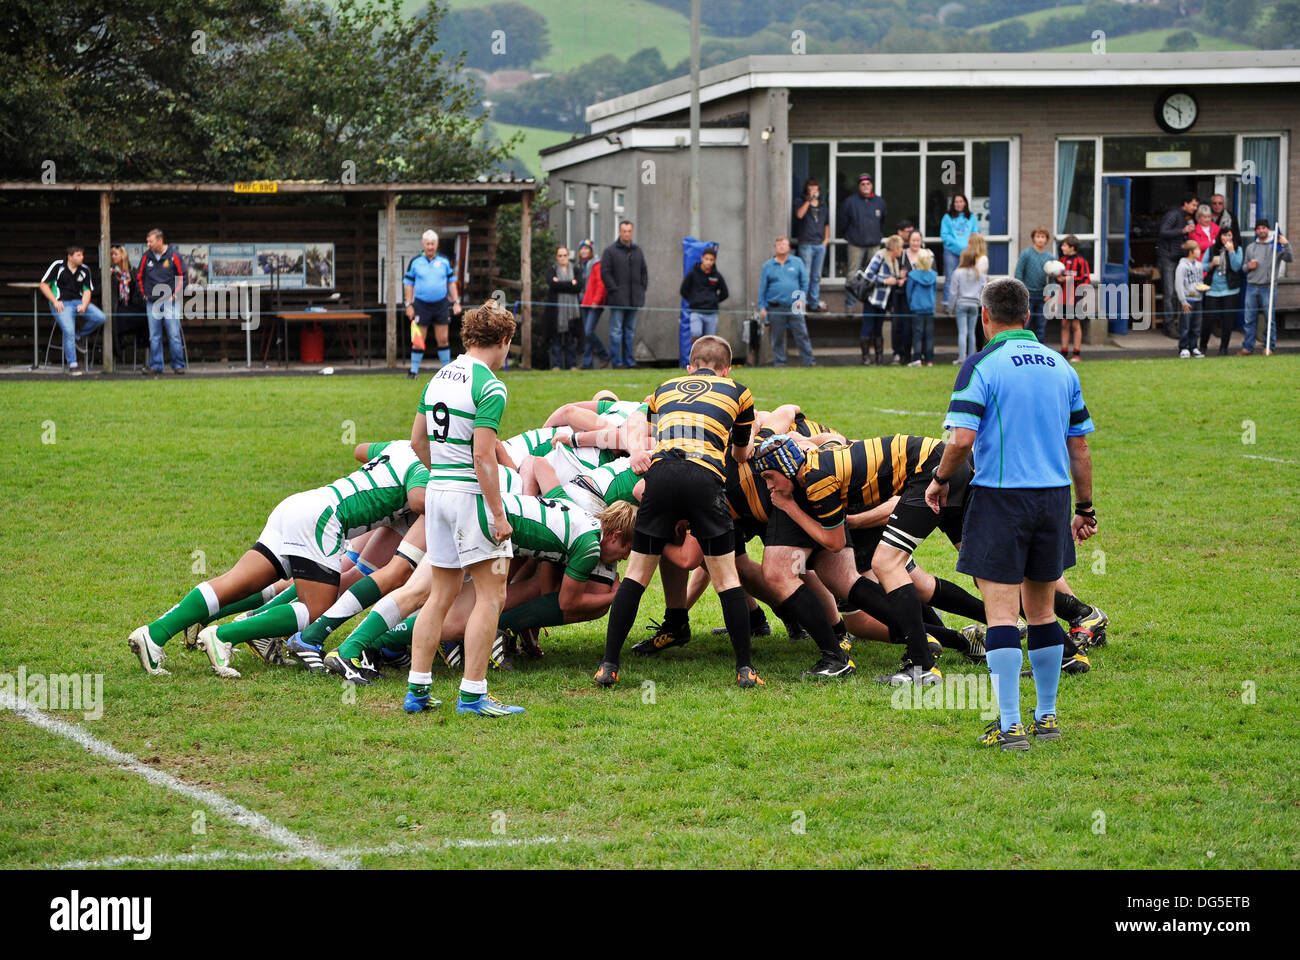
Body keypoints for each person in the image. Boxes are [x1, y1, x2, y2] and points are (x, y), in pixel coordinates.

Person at [928, 276, 1098, 750]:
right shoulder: (1062, 365)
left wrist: (940, 481)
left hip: (1002, 498)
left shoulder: (981, 364)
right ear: (1029, 316)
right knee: (1043, 614)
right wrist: (1084, 508)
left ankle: (1009, 726)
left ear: (985, 317)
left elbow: (960, 440)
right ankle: (1047, 718)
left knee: (1001, 615)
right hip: (1053, 499)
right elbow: (1079, 447)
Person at [127, 441, 429, 678]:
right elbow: (417, 499)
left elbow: (359, 449)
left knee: (235, 583)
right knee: (317, 609)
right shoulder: (426, 465)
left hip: (299, 505)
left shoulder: (400, 445)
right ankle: (224, 635)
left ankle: (154, 634)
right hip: (324, 519)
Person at [593, 335, 762, 689]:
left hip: (662, 474)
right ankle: (744, 669)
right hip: (704, 477)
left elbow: (644, 420)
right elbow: (742, 455)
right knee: (727, 579)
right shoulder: (739, 391)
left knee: (637, 575)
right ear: (727, 370)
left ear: (690, 366)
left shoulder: (664, 388)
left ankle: (608, 665)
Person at [404, 299, 522, 717]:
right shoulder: (489, 385)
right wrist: (499, 514)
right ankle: (473, 694)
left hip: (437, 494)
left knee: (439, 594)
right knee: (491, 596)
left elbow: (417, 442)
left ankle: (417, 690)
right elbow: (483, 457)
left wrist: (443, 476)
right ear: (504, 340)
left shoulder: (437, 376)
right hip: (470, 498)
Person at [403, 229, 462, 378]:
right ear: (423, 244)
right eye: (427, 243)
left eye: (433, 244)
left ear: (437, 245)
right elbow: (409, 284)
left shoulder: (444, 261)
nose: (430, 246)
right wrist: (408, 304)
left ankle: (447, 372)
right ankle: (413, 371)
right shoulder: (415, 262)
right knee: (418, 340)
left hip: (441, 304)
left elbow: (451, 283)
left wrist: (456, 302)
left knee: (443, 339)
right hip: (421, 305)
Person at [38, 245, 105, 377]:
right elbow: (43, 284)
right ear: (70, 256)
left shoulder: (85, 270)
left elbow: (87, 290)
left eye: (82, 255)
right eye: (78, 255)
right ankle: (73, 365)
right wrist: (55, 301)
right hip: (61, 303)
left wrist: (84, 305)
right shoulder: (58, 266)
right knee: (68, 330)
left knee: (101, 317)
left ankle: (79, 336)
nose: (82, 258)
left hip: (78, 302)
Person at [135, 228, 186, 373]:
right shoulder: (146, 257)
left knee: (174, 334)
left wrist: (175, 295)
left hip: (170, 301)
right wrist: (144, 294)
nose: (148, 244)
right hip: (152, 302)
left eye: (150, 241)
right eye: (147, 242)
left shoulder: (174, 255)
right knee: (154, 336)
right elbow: (139, 277)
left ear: (160, 240)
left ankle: (178, 365)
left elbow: (183, 276)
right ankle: (156, 366)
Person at [758, 236, 813, 367]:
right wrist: (762, 306)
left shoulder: (797, 262)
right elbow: (762, 288)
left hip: (795, 306)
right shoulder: (768, 266)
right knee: (777, 338)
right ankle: (780, 362)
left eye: (784, 244)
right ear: (775, 248)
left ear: (789, 248)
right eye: (779, 245)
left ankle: (809, 361)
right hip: (775, 307)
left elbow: (804, 283)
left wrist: (801, 299)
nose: (781, 247)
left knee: (802, 335)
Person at [600, 220, 648, 369]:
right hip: (618, 299)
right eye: (624, 231)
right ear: (619, 232)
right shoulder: (610, 251)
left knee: (629, 332)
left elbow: (643, 272)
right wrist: (615, 290)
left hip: (634, 299)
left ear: (632, 232)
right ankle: (617, 362)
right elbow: (605, 273)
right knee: (616, 332)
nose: (627, 234)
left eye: (629, 231)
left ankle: (629, 361)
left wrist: (641, 288)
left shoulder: (637, 251)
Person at [1240, 220, 1292, 356]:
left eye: (1264, 228)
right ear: (1256, 231)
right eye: (1259, 228)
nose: (1261, 230)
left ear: (1268, 229)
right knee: (1249, 319)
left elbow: (1289, 258)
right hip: (1251, 287)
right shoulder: (1250, 247)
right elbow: (1244, 267)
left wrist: (1286, 244)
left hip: (1268, 287)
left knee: (1270, 319)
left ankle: (1269, 347)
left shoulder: (1275, 246)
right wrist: (1248, 266)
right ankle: (1247, 347)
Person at [837, 173, 887, 312]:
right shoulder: (850, 202)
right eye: (863, 184)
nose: (866, 186)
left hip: (874, 244)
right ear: (859, 186)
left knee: (874, 275)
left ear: (872, 185)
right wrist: (850, 236)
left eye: (868, 184)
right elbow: (843, 223)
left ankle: (872, 304)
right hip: (855, 244)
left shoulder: (879, 202)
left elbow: (883, 221)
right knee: (852, 274)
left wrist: (877, 234)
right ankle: (850, 305)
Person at [1157, 194, 1199, 340]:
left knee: (1178, 291)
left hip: (1178, 258)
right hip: (1167, 258)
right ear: (1185, 203)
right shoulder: (1173, 215)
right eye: (1193, 205)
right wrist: (1182, 231)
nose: (1195, 208)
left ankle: (1176, 324)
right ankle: (1169, 326)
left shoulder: (1185, 217)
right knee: (1169, 293)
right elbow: (1163, 231)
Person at [859, 236, 906, 365]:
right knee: (867, 327)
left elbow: (892, 280)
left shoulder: (895, 262)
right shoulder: (880, 256)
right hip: (872, 299)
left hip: (884, 302)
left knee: (878, 328)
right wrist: (884, 281)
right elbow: (868, 274)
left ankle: (879, 358)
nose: (902, 250)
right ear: (895, 248)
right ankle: (865, 358)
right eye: (901, 247)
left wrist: (898, 280)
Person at [1199, 227, 1243, 356]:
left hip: (1230, 290)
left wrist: (1231, 252)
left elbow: (1236, 267)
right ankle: (1202, 347)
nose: (1227, 238)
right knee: (1208, 319)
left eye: (1229, 235)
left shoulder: (1238, 249)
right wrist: (1212, 264)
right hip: (1212, 289)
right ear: (1220, 236)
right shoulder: (1212, 249)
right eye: (1224, 236)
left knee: (1227, 321)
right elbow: (1202, 266)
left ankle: (1224, 348)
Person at [793, 178, 829, 311]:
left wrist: (826, 240)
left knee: (816, 276)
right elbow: (799, 215)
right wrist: (808, 200)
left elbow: (826, 224)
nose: (814, 191)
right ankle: (800, 304)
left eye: (816, 188)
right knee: (805, 275)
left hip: (819, 244)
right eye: (811, 188)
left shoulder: (823, 204)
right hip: (806, 243)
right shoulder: (800, 202)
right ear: (807, 190)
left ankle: (814, 303)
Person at [679, 244, 729, 341]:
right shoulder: (693, 273)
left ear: (714, 261)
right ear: (702, 258)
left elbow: (725, 293)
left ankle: (708, 356)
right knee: (696, 333)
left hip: (711, 313)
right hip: (696, 312)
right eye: (707, 259)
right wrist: (693, 300)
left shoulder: (717, 275)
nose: (708, 262)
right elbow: (683, 290)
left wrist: (714, 300)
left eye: (711, 260)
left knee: (710, 340)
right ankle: (695, 354)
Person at [1013, 226, 1054, 343]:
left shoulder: (1050, 257)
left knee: (1040, 327)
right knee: (1024, 324)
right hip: (1028, 295)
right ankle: (1021, 347)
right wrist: (1022, 292)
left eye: (1043, 237)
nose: (1040, 239)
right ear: (1033, 238)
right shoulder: (1026, 254)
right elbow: (1019, 273)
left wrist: (1050, 293)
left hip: (1043, 296)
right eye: (1038, 236)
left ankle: (1039, 349)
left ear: (1046, 239)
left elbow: (1052, 277)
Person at [545, 245, 581, 370]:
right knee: (556, 339)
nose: (563, 258)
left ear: (568, 256)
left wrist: (559, 283)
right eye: (560, 255)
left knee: (571, 339)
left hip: (572, 312)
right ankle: (556, 365)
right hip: (556, 313)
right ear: (556, 257)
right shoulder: (552, 269)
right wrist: (570, 283)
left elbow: (579, 286)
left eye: (565, 255)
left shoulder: (575, 269)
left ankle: (572, 364)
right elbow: (552, 284)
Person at [948, 248, 986, 365]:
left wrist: (950, 308)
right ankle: (971, 358)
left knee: (962, 332)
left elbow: (953, 292)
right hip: (974, 304)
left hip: (961, 304)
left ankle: (961, 358)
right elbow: (983, 289)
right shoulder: (979, 273)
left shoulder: (957, 272)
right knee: (971, 332)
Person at [939, 194, 976, 315]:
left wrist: (967, 248)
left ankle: (963, 305)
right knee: (950, 277)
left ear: (965, 203)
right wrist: (957, 246)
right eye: (956, 202)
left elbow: (975, 234)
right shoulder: (947, 217)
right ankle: (948, 305)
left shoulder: (971, 218)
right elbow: (944, 235)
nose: (958, 204)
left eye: (961, 201)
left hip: (967, 253)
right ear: (953, 204)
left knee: (967, 277)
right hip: (950, 252)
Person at [108, 245, 146, 361]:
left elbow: (138, 291)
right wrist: (108, 278)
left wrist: (131, 283)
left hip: (130, 305)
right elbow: (100, 290)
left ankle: (143, 346)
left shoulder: (132, 271)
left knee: (145, 315)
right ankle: (119, 345)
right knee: (116, 319)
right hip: (116, 307)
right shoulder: (109, 271)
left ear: (122, 255)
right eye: (112, 254)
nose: (113, 257)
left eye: (116, 254)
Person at [1057, 235, 1091, 363]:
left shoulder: (1081, 261)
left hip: (1076, 297)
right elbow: (1058, 278)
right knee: (1064, 323)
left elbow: (1086, 279)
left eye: (1064, 245)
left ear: (1072, 247)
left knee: (1075, 324)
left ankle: (1077, 353)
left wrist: (1069, 279)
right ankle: (1064, 353)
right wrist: (1058, 279)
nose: (1062, 247)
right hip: (1063, 296)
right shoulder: (1061, 260)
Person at [578, 240, 611, 368]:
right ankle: (587, 363)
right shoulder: (582, 265)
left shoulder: (596, 264)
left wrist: (596, 301)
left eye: (587, 249)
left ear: (591, 251)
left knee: (589, 331)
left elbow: (601, 285)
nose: (584, 251)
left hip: (594, 303)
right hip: (584, 302)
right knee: (587, 334)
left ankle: (604, 355)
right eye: (582, 249)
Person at [906, 247, 938, 366]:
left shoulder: (912, 275)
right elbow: (934, 291)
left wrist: (911, 304)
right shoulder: (934, 275)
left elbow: (909, 292)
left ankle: (917, 358)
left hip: (917, 308)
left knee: (918, 334)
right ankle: (929, 360)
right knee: (929, 335)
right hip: (929, 308)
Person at [1175, 239, 1205, 359]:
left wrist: (1202, 288)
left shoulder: (1199, 265)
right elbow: (1179, 284)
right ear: (1191, 252)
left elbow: (1200, 280)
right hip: (1188, 299)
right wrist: (1183, 301)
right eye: (1197, 249)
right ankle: (1184, 347)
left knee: (1196, 325)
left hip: (1198, 298)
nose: (1199, 251)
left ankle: (1194, 346)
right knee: (1185, 324)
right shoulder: (1182, 266)